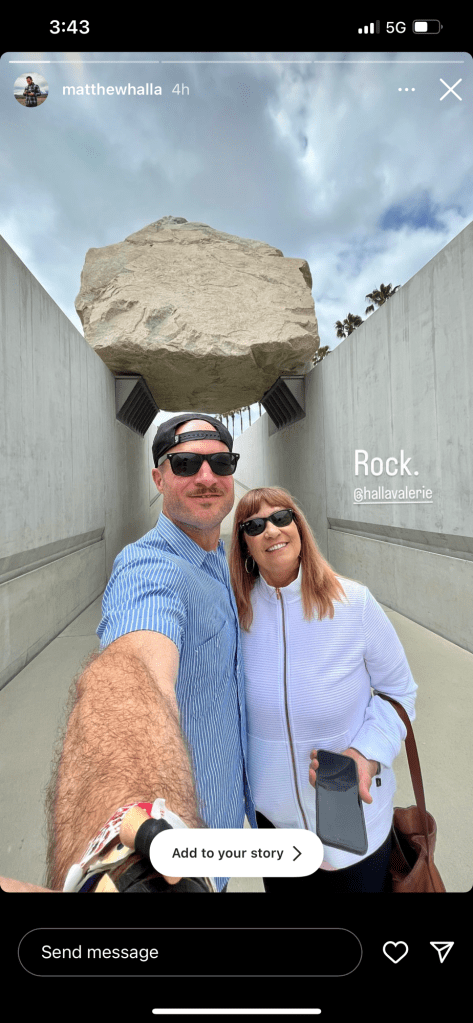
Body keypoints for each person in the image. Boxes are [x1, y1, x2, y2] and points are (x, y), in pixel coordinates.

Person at [0, 414, 256, 894]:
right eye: (186, 464)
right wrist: (124, 857)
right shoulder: (149, 568)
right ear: (158, 478)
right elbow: (134, 673)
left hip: (225, 826)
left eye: (221, 463)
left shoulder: (220, 559)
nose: (206, 476)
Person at [229, 485, 418, 893]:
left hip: (351, 818)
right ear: (244, 545)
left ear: (298, 526)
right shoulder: (235, 615)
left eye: (281, 518)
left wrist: (366, 754)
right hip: (275, 829)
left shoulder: (354, 603)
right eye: (254, 525)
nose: (271, 530)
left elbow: (400, 693)